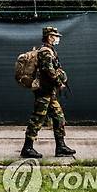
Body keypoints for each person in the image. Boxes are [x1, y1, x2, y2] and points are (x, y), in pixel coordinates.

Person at [20, 26, 75, 158]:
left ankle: (60, 147)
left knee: (59, 117)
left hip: (49, 93)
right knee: (37, 119)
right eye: (55, 36)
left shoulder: (50, 51)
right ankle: (27, 148)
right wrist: (59, 82)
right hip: (43, 92)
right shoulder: (45, 52)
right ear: (49, 37)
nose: (57, 39)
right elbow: (48, 71)